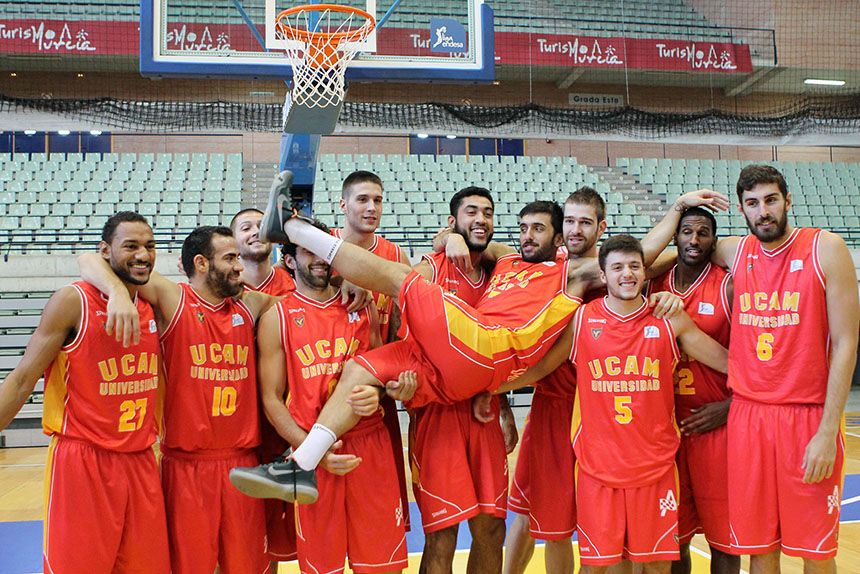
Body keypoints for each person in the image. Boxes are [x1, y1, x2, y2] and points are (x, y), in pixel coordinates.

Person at [231, 177, 703, 502]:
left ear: (560, 238)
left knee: (401, 280)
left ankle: (291, 228)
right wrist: (449, 236)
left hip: (492, 346)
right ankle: (302, 466)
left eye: (540, 229)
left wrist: (677, 210)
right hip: (460, 365)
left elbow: (638, 256)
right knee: (363, 368)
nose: (528, 236)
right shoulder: (508, 260)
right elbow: (469, 238)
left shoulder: (573, 272)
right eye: (524, 228)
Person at [494, 234, 730, 573]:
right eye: (617, 267)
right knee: (597, 567)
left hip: (656, 469)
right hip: (598, 471)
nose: (627, 274)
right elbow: (541, 368)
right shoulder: (581, 320)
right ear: (603, 276)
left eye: (634, 266)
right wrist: (490, 388)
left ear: (645, 273)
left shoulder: (669, 319)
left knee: (656, 567)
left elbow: (725, 361)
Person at [79, 226, 278, 574]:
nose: (239, 266)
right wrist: (117, 293)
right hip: (187, 467)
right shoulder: (174, 299)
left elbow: (302, 304)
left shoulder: (250, 305)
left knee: (250, 566)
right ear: (201, 263)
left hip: (243, 462)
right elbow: (89, 260)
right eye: (230, 258)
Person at [0, 212, 170, 573]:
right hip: (83, 460)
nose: (143, 255)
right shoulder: (73, 301)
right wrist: (115, 291)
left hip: (141, 458)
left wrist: (120, 292)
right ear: (106, 250)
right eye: (131, 246)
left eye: (150, 246)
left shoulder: (153, 304)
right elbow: (22, 379)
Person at [706, 165, 857, 571]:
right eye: (753, 203)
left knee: (816, 551)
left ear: (787, 201)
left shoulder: (825, 248)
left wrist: (828, 431)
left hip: (806, 417)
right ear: (742, 210)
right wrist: (682, 206)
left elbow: (846, 344)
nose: (763, 211)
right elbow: (682, 251)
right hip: (748, 417)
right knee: (760, 549)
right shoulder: (736, 251)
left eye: (771, 200)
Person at [255, 218, 408, 573]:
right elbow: (271, 399)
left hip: (369, 445)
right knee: (322, 568)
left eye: (323, 249)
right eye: (308, 251)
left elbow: (380, 371)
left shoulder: (361, 305)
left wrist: (380, 391)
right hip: (314, 451)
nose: (320, 258)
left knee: (383, 566)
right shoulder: (278, 316)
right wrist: (310, 451)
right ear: (289, 260)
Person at [501, 186, 607, 574]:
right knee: (533, 513)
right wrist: (451, 237)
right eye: (571, 222)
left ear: (601, 227)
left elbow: (651, 258)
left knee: (600, 524)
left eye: (586, 222)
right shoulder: (545, 267)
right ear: (561, 232)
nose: (577, 230)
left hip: (600, 414)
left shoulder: (615, 273)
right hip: (551, 409)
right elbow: (496, 252)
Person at [410, 187, 516, 574]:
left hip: (485, 412)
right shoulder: (429, 270)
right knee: (442, 534)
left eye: (487, 212)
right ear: (453, 220)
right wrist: (447, 239)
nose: (481, 219)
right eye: (471, 212)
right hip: (439, 415)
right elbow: (403, 339)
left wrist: (505, 409)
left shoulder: (499, 274)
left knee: (492, 529)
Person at [648, 207, 739, 574]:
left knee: (725, 541)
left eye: (703, 233)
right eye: (687, 232)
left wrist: (731, 406)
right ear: (675, 237)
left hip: (716, 428)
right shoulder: (652, 283)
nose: (694, 240)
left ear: (714, 241)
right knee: (674, 540)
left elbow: (754, 359)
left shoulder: (728, 286)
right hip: (666, 430)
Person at [333, 169, 413, 529]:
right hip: (322, 387)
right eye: (363, 199)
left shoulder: (395, 256)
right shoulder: (321, 246)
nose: (371, 207)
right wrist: (341, 277)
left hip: (374, 392)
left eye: (378, 200)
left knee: (377, 515)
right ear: (343, 204)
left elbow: (401, 326)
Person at [231, 207, 298, 568]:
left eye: (261, 225)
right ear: (232, 241)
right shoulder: (222, 286)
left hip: (280, 429)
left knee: (272, 540)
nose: (255, 231)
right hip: (232, 429)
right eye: (246, 227)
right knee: (230, 535)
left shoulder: (296, 282)